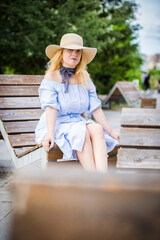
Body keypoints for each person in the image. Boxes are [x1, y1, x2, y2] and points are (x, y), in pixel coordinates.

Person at [35, 33, 119, 173]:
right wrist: (49, 134)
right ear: (61, 53)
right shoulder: (52, 76)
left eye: (78, 51)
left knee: (97, 129)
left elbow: (95, 108)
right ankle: (94, 179)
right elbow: (51, 107)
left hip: (77, 122)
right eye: (70, 50)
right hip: (57, 123)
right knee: (82, 132)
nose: (74, 54)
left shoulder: (84, 77)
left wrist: (111, 131)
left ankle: (102, 178)